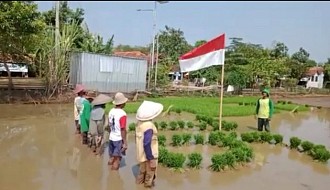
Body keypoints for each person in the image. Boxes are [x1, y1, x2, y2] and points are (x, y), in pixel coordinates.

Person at [135, 100, 163, 188]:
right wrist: (151, 159)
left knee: (141, 174)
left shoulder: (139, 123)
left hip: (141, 155)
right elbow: (147, 143)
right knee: (149, 177)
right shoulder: (149, 126)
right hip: (149, 155)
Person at [108, 92, 128, 170]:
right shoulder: (122, 114)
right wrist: (125, 142)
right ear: (122, 103)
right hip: (118, 139)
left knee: (111, 157)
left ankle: (110, 167)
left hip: (111, 137)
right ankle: (114, 178)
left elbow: (109, 125)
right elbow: (122, 129)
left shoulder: (111, 111)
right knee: (117, 160)